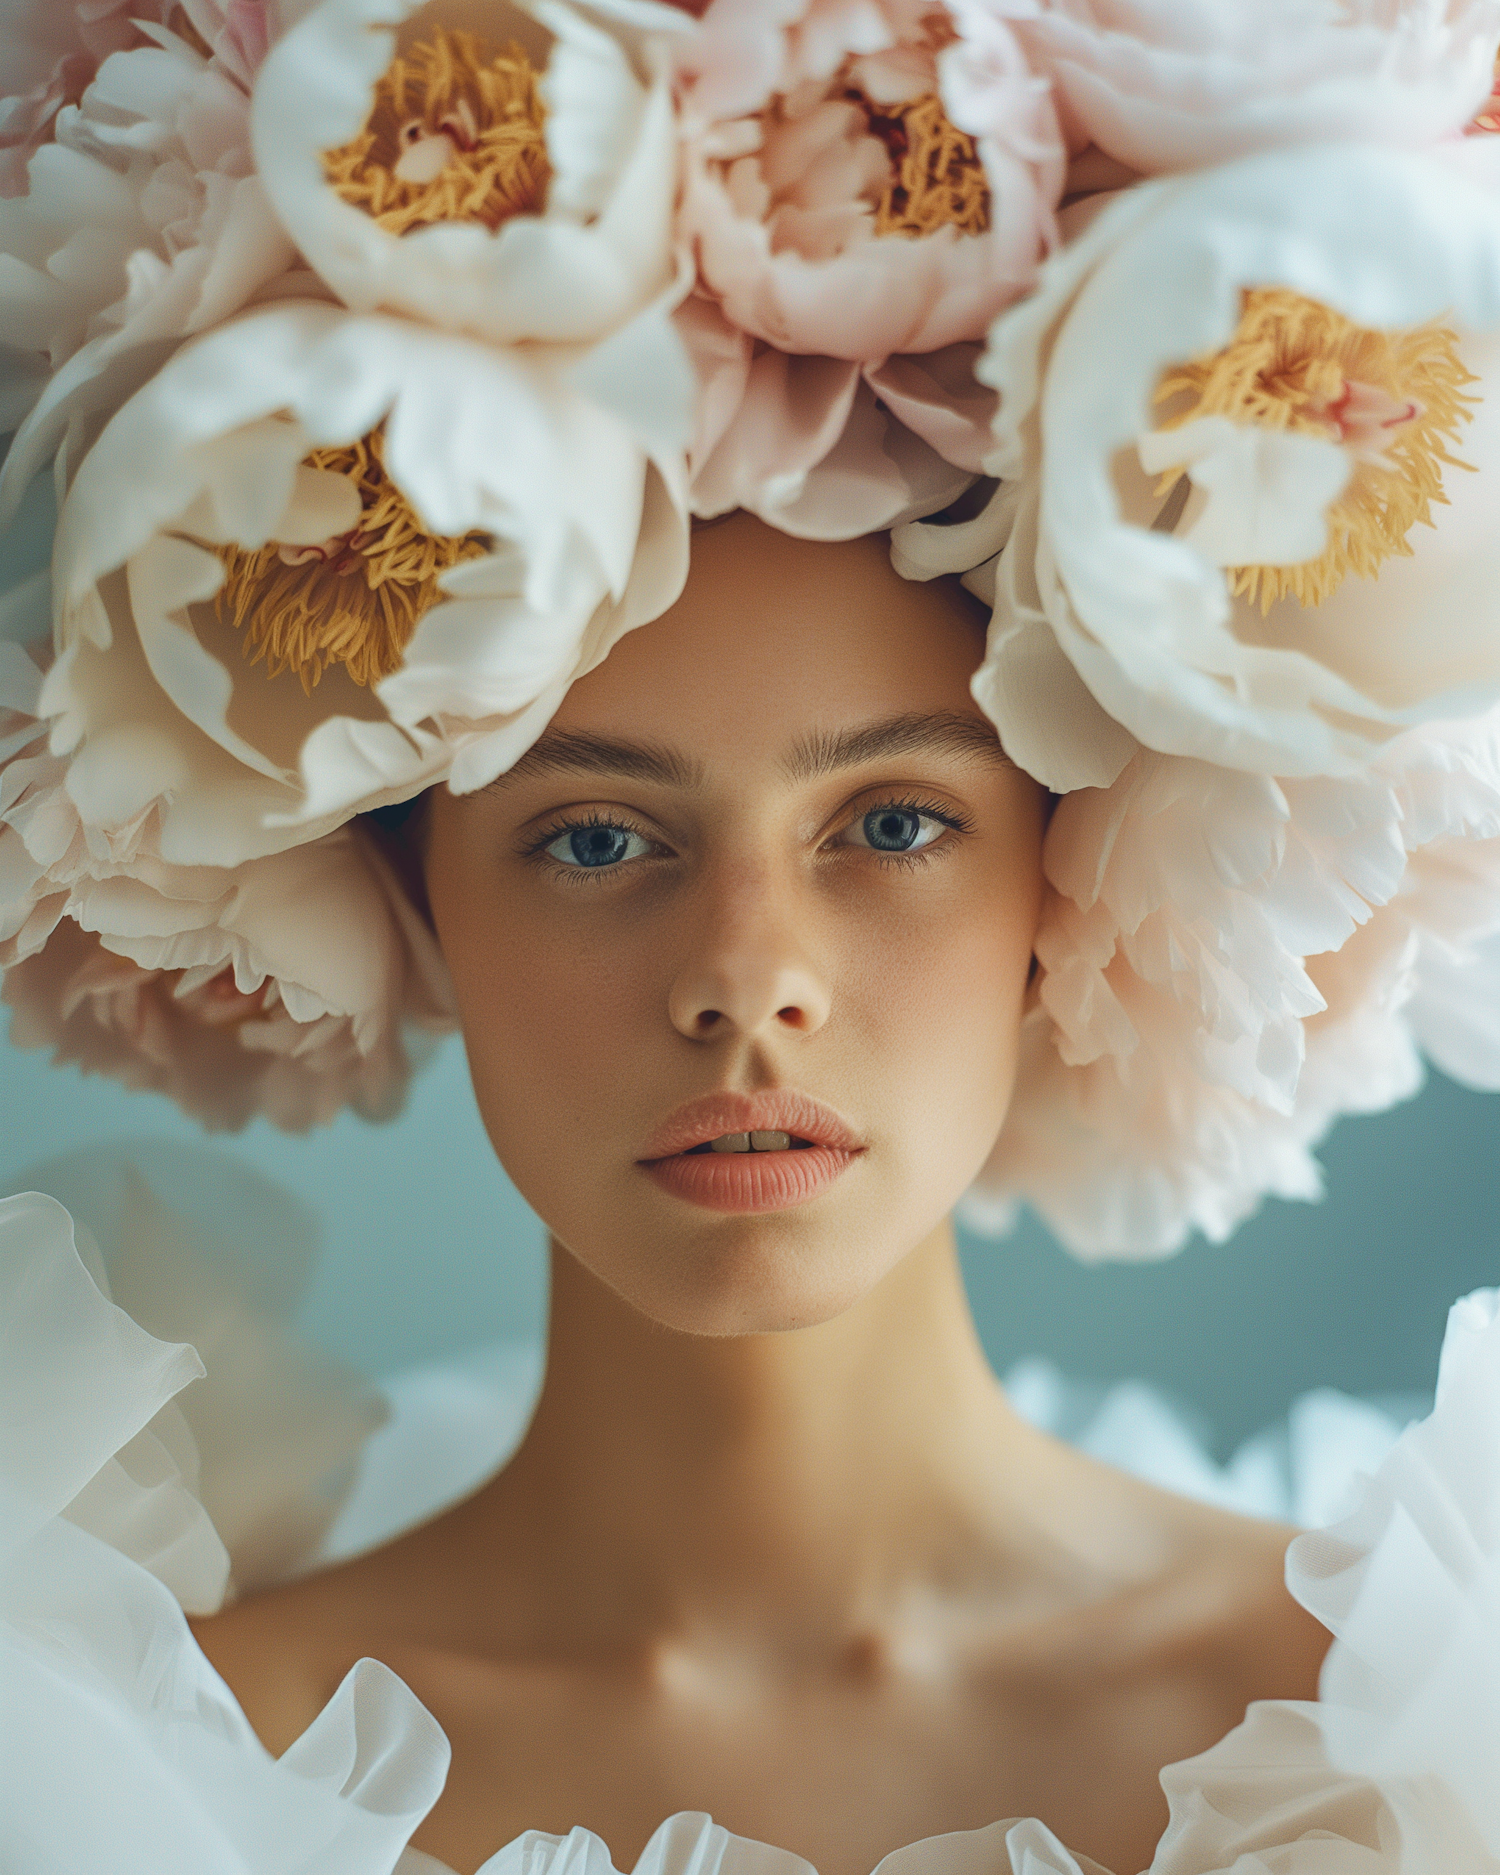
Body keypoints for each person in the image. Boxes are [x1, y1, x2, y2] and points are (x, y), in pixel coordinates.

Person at [4, 3, 1500, 1873]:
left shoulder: (1424, 1735)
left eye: (891, 823)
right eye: (598, 834)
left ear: (1074, 869)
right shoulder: (130, 1779)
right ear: (406, 896)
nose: (746, 976)